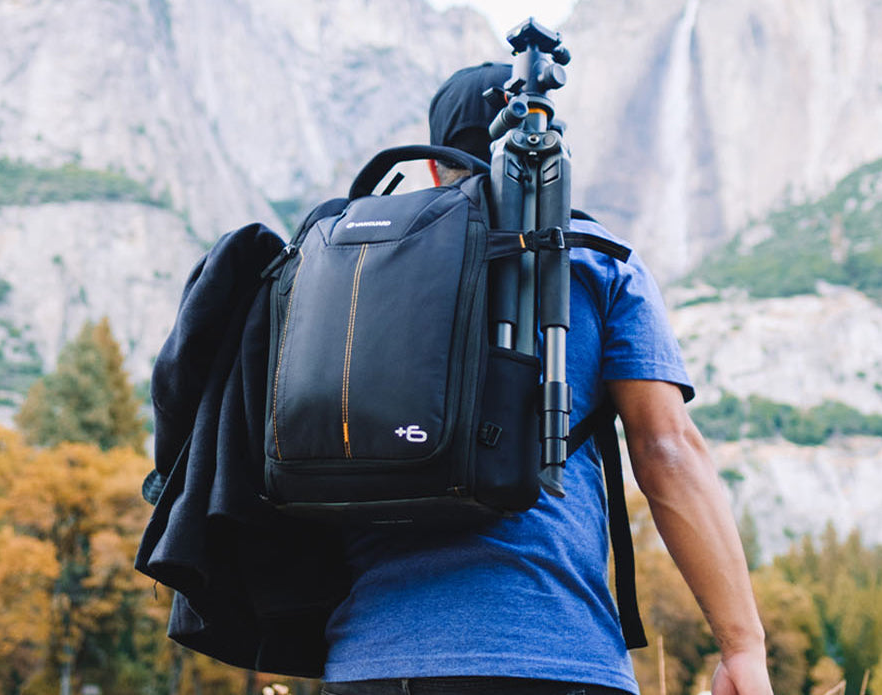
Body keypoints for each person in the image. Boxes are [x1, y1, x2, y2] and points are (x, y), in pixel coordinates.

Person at [318, 63, 773, 695]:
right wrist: (743, 646)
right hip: (556, 656)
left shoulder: (352, 273)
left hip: (373, 659)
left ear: (431, 168)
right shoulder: (597, 259)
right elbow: (667, 449)